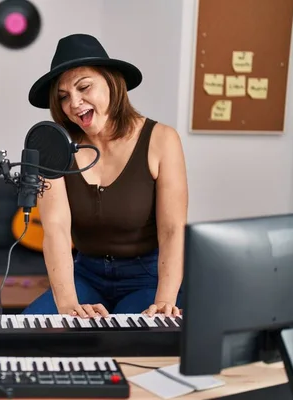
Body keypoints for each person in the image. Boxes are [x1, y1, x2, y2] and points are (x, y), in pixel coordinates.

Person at [22, 33, 188, 319]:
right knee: (32, 334)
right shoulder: (55, 146)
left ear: (112, 82)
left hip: (147, 279)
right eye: (63, 97)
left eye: (84, 87)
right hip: (85, 276)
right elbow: (56, 229)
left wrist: (165, 299)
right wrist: (67, 304)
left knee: (127, 346)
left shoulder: (162, 139)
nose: (74, 103)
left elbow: (172, 230)